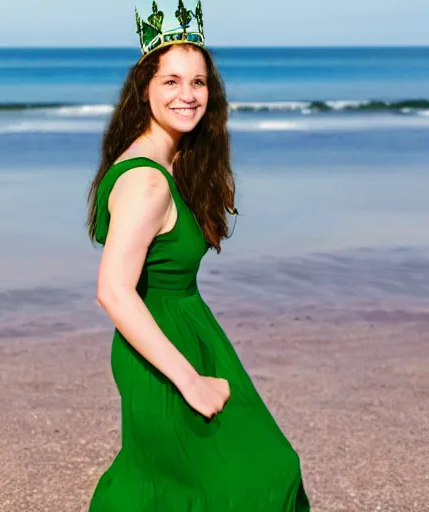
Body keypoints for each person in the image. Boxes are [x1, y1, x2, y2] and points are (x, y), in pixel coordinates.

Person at [85, 1, 310, 510]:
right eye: (171, 81)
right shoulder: (146, 181)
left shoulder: (167, 159)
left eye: (198, 82)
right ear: (144, 87)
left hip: (186, 332)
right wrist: (189, 380)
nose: (188, 95)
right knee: (254, 474)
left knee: (180, 485)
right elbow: (113, 291)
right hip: (166, 349)